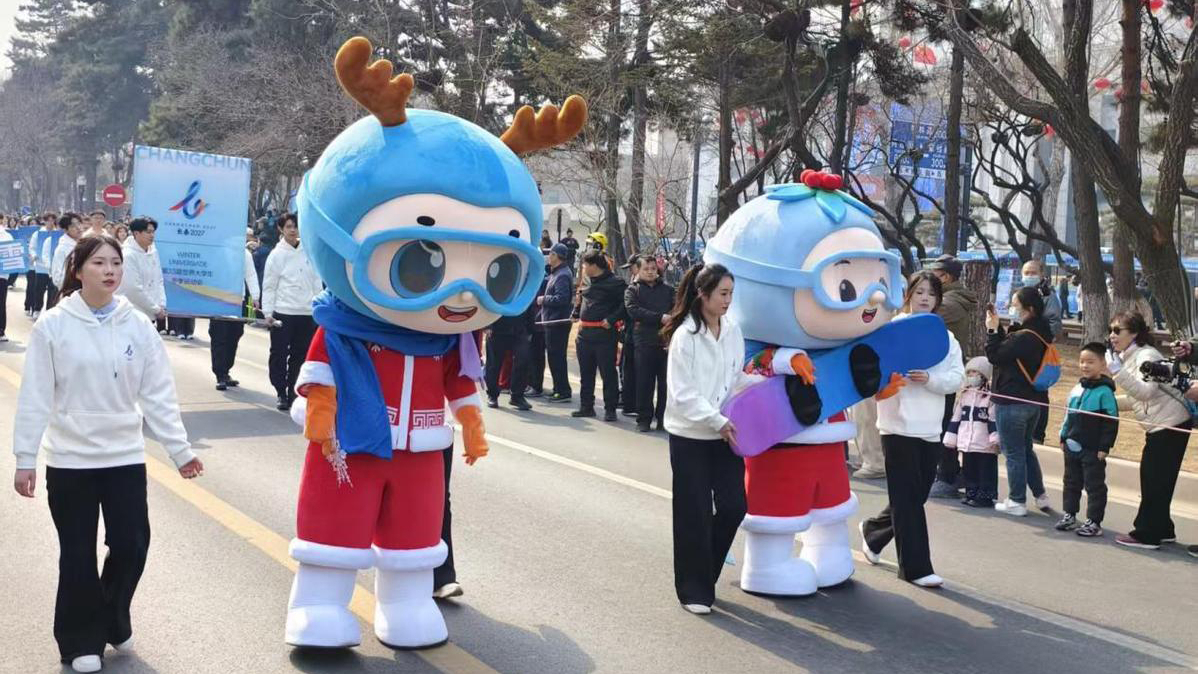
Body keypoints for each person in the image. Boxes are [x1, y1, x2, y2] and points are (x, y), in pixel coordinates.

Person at [12, 234, 203, 674]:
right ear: (78, 270)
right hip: (71, 460)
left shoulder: (136, 324)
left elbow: (158, 394)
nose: (110, 270)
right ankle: (80, 640)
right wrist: (25, 458)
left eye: (115, 262)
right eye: (99, 263)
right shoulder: (53, 325)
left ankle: (113, 617)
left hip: (124, 456)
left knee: (132, 544)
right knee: (77, 553)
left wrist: (179, 450)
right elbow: (35, 396)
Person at [861, 271, 963, 588]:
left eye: (931, 294)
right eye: (919, 292)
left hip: (930, 427)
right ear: (908, 295)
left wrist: (930, 380)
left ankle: (874, 531)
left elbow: (957, 378)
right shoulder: (892, 329)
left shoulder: (947, 338)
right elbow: (873, 369)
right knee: (907, 498)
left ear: (938, 300)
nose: (924, 298)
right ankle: (916, 568)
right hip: (896, 426)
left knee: (915, 496)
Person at [662, 263, 750, 615]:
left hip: (724, 434)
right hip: (690, 436)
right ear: (703, 294)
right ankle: (693, 590)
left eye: (731, 294)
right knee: (693, 513)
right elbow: (682, 394)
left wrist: (770, 384)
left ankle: (705, 572)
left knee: (734, 506)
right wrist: (716, 420)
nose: (728, 300)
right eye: (723, 294)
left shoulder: (733, 330)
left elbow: (737, 378)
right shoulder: (685, 336)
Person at [1107, 311, 1191, 550]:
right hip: (1162, 424)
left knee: (1155, 480)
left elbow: (1145, 392)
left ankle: (1147, 534)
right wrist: (1105, 403)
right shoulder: (1130, 356)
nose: (1112, 335)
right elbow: (1137, 398)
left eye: (1118, 330)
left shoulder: (1147, 355)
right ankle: (1163, 529)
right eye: (1110, 330)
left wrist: (1118, 373)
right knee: (1158, 479)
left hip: (1170, 424)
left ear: (1134, 333)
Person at [985, 287, 1054, 517]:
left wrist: (992, 331)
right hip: (1034, 401)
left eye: (1015, 305)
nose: (1011, 308)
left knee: (1013, 452)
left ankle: (1016, 500)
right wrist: (999, 330)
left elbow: (995, 356)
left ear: (1029, 309)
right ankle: (1040, 495)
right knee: (1025, 450)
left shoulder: (1024, 336)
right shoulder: (1041, 333)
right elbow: (1008, 353)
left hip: (1012, 400)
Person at [926, 254, 977, 499]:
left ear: (945, 277)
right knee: (941, 423)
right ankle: (949, 472)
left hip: (942, 372)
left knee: (942, 425)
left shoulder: (948, 304)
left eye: (934, 275)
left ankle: (947, 476)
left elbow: (920, 323)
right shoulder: (950, 300)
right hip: (940, 371)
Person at [1055, 342, 1118, 537]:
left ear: (1102, 364)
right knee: (1071, 482)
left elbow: (1111, 422)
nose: (1085, 366)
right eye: (1082, 361)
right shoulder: (1077, 388)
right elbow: (1068, 415)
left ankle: (1094, 522)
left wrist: (1104, 447)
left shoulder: (1105, 392)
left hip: (1092, 448)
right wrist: (1063, 435)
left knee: (1094, 485)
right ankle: (1070, 515)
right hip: (1072, 445)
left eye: (1091, 362)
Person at [261, 212, 322, 411]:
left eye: (295, 226)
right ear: (281, 229)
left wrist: (318, 307)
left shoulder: (308, 252)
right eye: (288, 227)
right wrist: (268, 312)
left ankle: (292, 393)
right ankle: (280, 391)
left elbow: (316, 281)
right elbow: (269, 285)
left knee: (300, 355)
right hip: (283, 312)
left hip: (306, 313)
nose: (293, 230)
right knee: (279, 353)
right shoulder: (276, 255)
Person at [572, 251, 626, 421]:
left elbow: (626, 304)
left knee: (607, 373)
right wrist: (576, 312)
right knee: (586, 373)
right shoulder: (587, 281)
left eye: (585, 265)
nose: (583, 268)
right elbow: (581, 300)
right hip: (584, 334)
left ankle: (610, 409)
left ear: (594, 265)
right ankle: (586, 406)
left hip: (604, 335)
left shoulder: (615, 283)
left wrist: (612, 319)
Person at [625, 253, 674, 432]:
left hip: (665, 341)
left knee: (665, 383)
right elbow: (634, 311)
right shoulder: (633, 290)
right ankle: (643, 419)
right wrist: (660, 317)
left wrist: (670, 320)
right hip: (644, 341)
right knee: (644, 382)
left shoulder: (668, 290)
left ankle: (663, 419)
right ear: (638, 270)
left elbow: (676, 308)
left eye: (653, 268)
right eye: (646, 269)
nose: (650, 272)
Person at [944, 356, 999, 507]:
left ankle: (985, 496)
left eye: (975, 372)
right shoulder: (965, 394)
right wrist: (951, 438)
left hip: (984, 443)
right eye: (969, 372)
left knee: (985, 470)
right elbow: (956, 418)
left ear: (984, 375)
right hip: (967, 441)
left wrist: (995, 439)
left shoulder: (990, 396)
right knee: (969, 469)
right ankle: (971, 493)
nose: (971, 376)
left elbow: (993, 419)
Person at [208, 246, 261, 391]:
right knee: (219, 336)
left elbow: (250, 274)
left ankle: (226, 370)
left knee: (235, 335)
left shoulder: (245, 253)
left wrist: (255, 296)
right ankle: (220, 374)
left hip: (238, 300)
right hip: (218, 299)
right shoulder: (216, 249)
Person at [536, 243, 574, 403]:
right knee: (554, 357)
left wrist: (543, 299)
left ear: (557, 256)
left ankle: (563, 391)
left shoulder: (562, 275)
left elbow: (562, 298)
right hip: (551, 321)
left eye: (551, 254)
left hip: (557, 323)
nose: (549, 257)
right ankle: (558, 388)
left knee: (557, 357)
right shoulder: (557, 272)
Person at [117, 217, 168, 330]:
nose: (152, 235)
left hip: (149, 314)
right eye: (148, 232)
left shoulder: (153, 251)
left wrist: (161, 304)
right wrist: (155, 309)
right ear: (136, 233)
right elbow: (133, 289)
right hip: (131, 314)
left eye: (153, 232)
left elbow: (159, 280)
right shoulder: (128, 255)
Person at [484, 307, 533, 411]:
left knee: (523, 361)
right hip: (497, 328)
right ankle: (492, 395)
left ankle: (517, 396)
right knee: (494, 364)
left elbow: (528, 303)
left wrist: (530, 329)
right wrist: (487, 325)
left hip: (519, 329)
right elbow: (489, 303)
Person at [618, 255, 641, 418]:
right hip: (628, 333)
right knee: (625, 368)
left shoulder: (639, 288)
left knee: (634, 370)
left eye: (632, 268)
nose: (630, 271)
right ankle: (627, 399)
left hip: (637, 335)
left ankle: (634, 402)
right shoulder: (632, 285)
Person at [51, 212, 84, 292]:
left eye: (79, 224)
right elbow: (58, 276)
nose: (78, 228)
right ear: (65, 230)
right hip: (71, 290)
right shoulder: (62, 249)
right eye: (73, 226)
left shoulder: (84, 244)